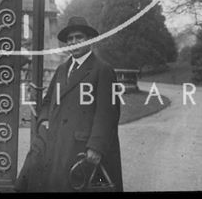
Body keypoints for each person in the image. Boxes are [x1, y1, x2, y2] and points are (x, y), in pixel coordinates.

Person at [17, 16, 123, 192]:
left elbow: (108, 114)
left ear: (89, 40)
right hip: (55, 142)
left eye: (79, 37)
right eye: (70, 39)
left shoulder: (102, 70)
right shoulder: (62, 69)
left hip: (81, 145)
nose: (74, 42)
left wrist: (96, 147)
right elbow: (48, 100)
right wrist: (43, 120)